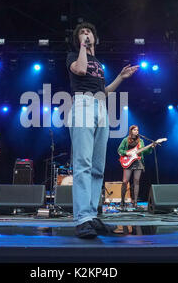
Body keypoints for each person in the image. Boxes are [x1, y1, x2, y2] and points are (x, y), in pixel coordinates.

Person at [66, 22, 138, 238]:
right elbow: (79, 70)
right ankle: (82, 219)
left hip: (100, 107)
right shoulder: (73, 56)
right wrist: (81, 47)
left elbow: (103, 92)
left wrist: (120, 78)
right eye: (82, 32)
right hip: (82, 105)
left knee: (97, 166)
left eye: (89, 32)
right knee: (83, 164)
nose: (86, 34)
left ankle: (91, 214)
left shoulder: (98, 63)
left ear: (95, 38)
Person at [117, 125, 153, 209]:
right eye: (134, 130)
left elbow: (145, 151)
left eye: (137, 130)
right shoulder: (125, 140)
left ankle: (135, 202)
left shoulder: (141, 141)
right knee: (125, 181)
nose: (136, 131)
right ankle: (122, 201)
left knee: (136, 181)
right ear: (131, 131)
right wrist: (126, 153)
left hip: (138, 162)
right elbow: (119, 150)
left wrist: (151, 147)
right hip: (128, 162)